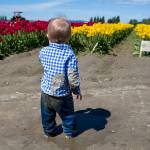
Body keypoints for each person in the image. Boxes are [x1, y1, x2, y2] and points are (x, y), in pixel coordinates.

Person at [39, 17, 82, 139]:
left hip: (46, 92)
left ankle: (49, 131)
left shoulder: (43, 51)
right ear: (69, 38)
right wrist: (76, 90)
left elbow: (42, 62)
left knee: (47, 114)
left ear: (48, 35)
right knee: (67, 114)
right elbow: (72, 76)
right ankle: (68, 132)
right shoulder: (69, 54)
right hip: (62, 94)